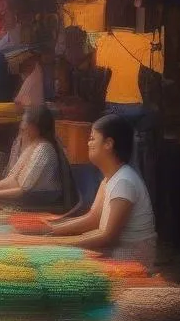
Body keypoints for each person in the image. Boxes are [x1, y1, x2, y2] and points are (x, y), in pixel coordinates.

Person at [48, 114, 158, 267]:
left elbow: (108, 236)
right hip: (115, 254)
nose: (88, 143)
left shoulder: (123, 181)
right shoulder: (109, 179)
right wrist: (52, 230)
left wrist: (61, 245)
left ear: (108, 144)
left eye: (92, 138)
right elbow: (93, 218)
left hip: (130, 263)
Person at [0, 105, 75, 210]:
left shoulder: (44, 149)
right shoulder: (33, 145)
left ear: (35, 126)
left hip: (43, 200)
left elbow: (23, 189)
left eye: (25, 122)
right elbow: (13, 179)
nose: (22, 126)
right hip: (28, 196)